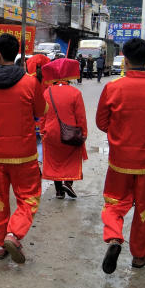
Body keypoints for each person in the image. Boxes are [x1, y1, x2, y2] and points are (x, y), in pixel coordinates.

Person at [96, 38, 145, 274]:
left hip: (120, 159)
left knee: (115, 202)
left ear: (125, 60)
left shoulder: (112, 87)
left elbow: (102, 123)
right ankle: (140, 256)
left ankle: (113, 238)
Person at [0, 33, 46, 264]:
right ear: (15, 53)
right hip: (24, 153)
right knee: (29, 197)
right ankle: (13, 233)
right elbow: (41, 111)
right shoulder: (29, 82)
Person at [40, 59, 88, 199]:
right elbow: (81, 116)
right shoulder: (75, 93)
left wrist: (43, 131)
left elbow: (43, 115)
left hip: (51, 132)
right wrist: (83, 132)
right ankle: (68, 182)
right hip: (70, 132)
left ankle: (59, 191)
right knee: (71, 159)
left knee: (55, 161)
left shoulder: (46, 93)